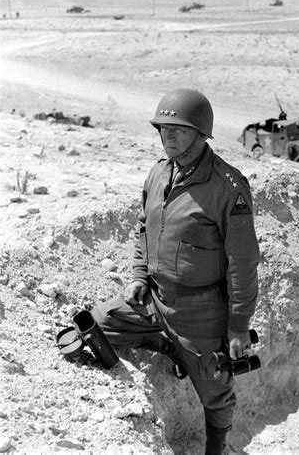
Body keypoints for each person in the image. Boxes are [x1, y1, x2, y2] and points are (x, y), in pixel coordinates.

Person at [92, 88, 260, 454]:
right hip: (154, 297)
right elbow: (143, 229)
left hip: (199, 312)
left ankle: (216, 448)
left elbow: (243, 264)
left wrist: (237, 325)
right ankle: (165, 344)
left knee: (215, 394)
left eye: (177, 130)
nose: (168, 137)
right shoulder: (157, 175)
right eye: (162, 129)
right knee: (96, 327)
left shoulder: (228, 188)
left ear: (201, 134)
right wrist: (138, 276)